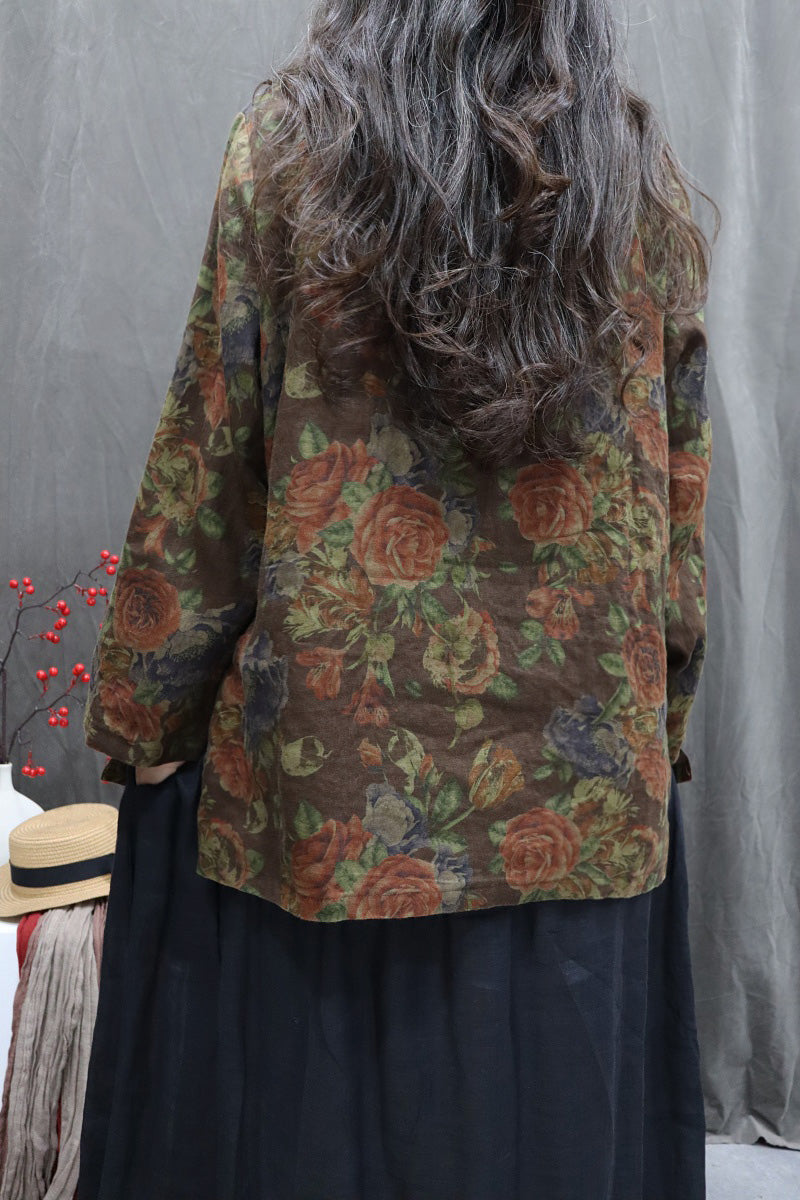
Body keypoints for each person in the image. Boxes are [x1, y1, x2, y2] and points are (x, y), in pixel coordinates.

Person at [77, 1, 717, 1196]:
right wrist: (657, 716)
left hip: (333, 782)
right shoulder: (634, 176)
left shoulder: (289, 150)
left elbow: (212, 456)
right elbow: (673, 492)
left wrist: (145, 716)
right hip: (577, 780)